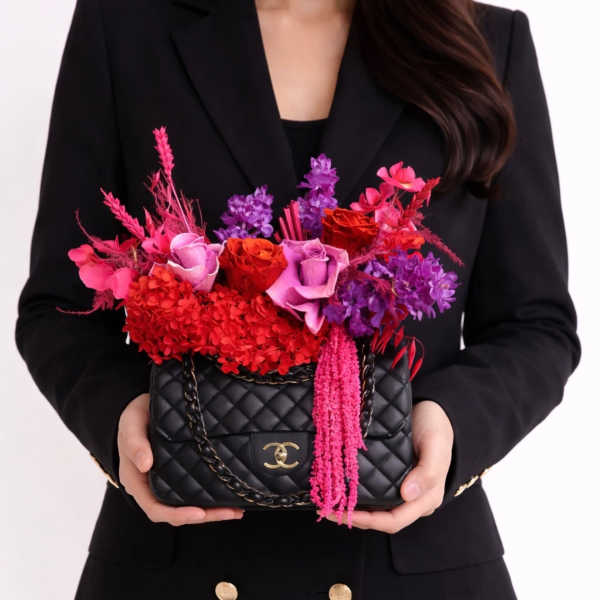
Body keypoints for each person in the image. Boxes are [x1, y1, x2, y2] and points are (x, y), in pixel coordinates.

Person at [15, 0, 581, 598]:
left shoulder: (488, 42)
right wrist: (125, 418)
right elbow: (58, 306)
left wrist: (451, 425)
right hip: (181, 553)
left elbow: (534, 324)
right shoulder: (125, 29)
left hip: (411, 564)